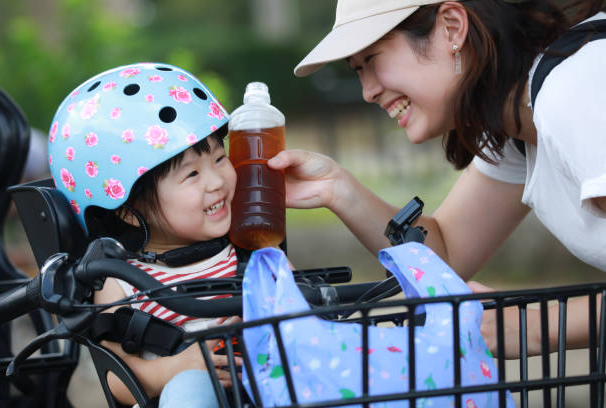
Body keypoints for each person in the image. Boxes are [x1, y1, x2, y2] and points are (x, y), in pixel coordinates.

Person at [267, 0, 606, 359]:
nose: (368, 91)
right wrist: (337, 188)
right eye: (357, 70)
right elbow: (448, 254)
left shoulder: (577, 90)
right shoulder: (516, 123)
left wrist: (535, 328)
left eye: (373, 59)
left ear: (452, 28)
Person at [47, 62, 241, 407]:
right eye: (192, 174)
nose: (217, 181)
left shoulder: (248, 247)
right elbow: (115, 378)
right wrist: (180, 368)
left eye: (220, 158)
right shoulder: (121, 282)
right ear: (126, 209)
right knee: (190, 391)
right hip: (180, 395)